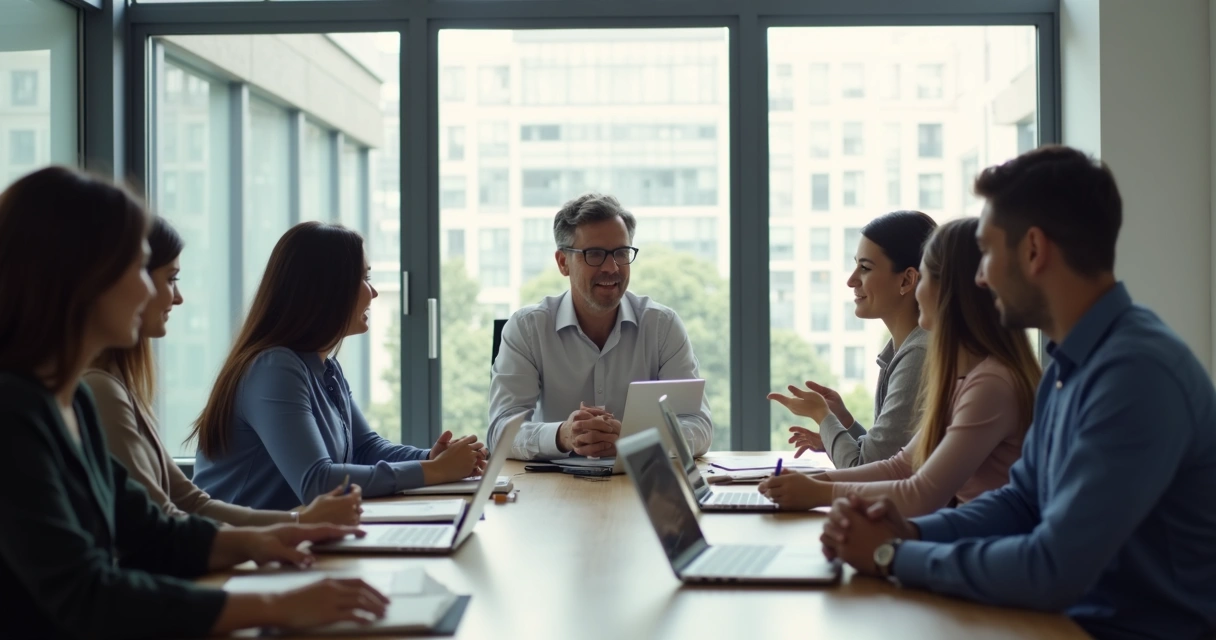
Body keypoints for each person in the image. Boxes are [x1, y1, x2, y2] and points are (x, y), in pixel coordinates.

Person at [821, 146, 1216, 640]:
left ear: (1033, 250)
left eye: (987, 252)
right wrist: (912, 532)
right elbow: (1022, 502)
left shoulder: (1136, 375)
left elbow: (1053, 566)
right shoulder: (1067, 363)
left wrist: (892, 555)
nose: (980, 278)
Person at [0, 166, 388, 638]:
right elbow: (87, 594)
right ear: (82, 278)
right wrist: (275, 605)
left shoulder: (73, 402)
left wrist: (283, 534)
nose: (151, 290)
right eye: (136, 268)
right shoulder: (14, 414)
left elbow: (152, 531)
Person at [85, 216, 361, 526]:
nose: (178, 297)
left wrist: (297, 524)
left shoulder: (118, 388)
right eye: (170, 278)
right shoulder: (99, 390)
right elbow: (159, 526)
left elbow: (190, 503)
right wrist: (296, 525)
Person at [191, 221, 487, 511]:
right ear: (327, 290)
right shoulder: (273, 368)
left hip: (289, 543)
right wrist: (433, 472)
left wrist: (433, 458)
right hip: (242, 554)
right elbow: (318, 483)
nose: (373, 293)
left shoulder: (325, 368)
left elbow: (365, 449)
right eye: (364, 278)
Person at [758, 218, 1040, 516]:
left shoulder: (989, 383)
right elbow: (899, 467)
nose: (919, 290)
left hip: (978, 545)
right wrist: (813, 483)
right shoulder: (962, 377)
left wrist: (819, 489)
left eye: (925, 277)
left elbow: (920, 491)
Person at [487, 193, 713, 460]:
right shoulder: (527, 329)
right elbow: (500, 432)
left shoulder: (662, 326)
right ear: (563, 263)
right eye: (594, 254)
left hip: (641, 487)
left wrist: (631, 439)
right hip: (552, 491)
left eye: (621, 252)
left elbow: (698, 427)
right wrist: (564, 435)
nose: (611, 267)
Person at [769, 210, 937, 468]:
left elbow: (863, 468)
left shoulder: (918, 354)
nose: (851, 280)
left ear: (906, 280)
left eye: (865, 268)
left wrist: (822, 416)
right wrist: (844, 421)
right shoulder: (903, 349)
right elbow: (885, 458)